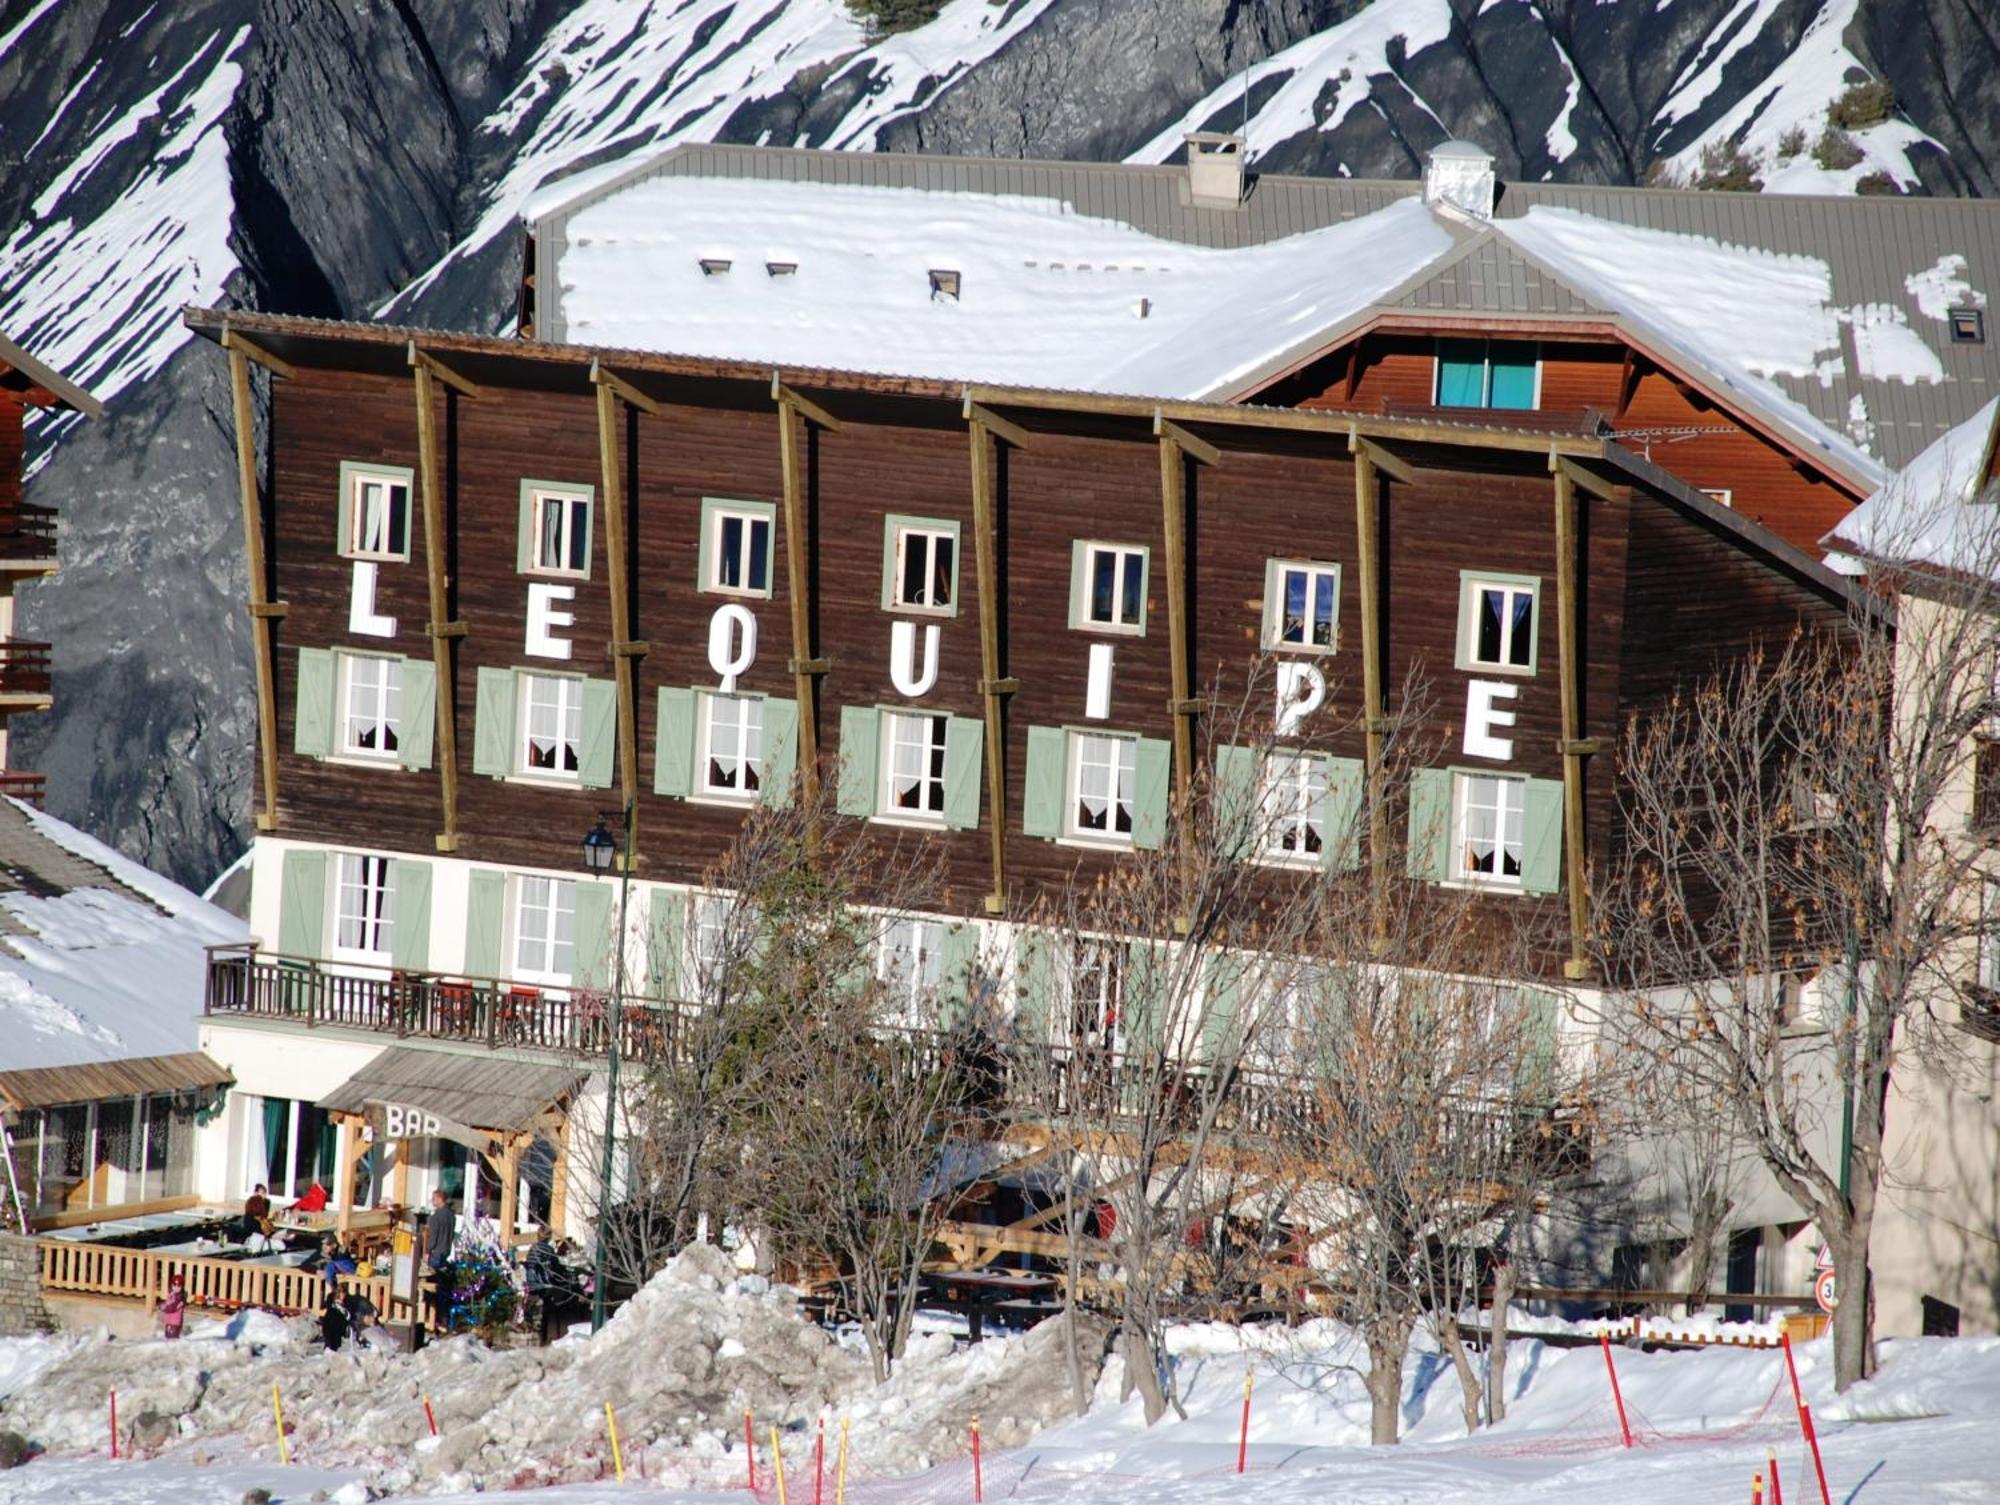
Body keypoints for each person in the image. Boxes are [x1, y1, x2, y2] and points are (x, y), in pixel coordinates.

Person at [423, 1188, 456, 1330]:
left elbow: (432, 1238)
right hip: (446, 1252)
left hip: (435, 1253)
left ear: (440, 1199)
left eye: (434, 1198)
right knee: (443, 1286)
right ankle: (444, 1319)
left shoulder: (436, 1217)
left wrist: (427, 1251)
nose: (432, 1201)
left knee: (431, 1287)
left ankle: (432, 1318)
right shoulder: (451, 1215)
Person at [159, 1273, 187, 1341]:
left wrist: (164, 1308)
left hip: (175, 1323)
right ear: (171, 1285)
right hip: (169, 1321)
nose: (176, 1287)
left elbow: (174, 1307)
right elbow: (168, 1303)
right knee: (167, 1338)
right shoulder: (172, 1294)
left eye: (179, 1286)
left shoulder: (180, 1298)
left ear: (182, 1287)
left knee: (172, 1340)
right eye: (174, 1285)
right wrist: (162, 1305)